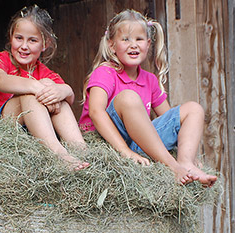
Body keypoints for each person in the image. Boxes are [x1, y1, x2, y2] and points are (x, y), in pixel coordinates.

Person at [79, 9, 217, 187]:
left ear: (148, 43)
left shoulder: (149, 79)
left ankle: (186, 162)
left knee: (194, 109)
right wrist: (124, 151)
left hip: (140, 143)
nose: (133, 45)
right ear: (111, 45)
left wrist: (189, 152)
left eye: (139, 39)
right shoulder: (105, 72)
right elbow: (96, 113)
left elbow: (170, 120)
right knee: (129, 98)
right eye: (125, 39)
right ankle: (173, 167)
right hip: (109, 143)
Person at [0, 5, 89, 171]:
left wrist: (64, 90)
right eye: (19, 38)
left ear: (45, 44)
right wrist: (36, 87)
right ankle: (59, 154)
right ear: (10, 37)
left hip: (31, 127)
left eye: (32, 40)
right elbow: (0, 80)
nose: (24, 46)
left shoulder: (45, 73)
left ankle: (82, 151)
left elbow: (69, 99)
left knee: (58, 96)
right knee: (30, 94)